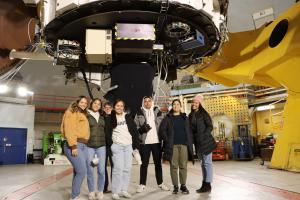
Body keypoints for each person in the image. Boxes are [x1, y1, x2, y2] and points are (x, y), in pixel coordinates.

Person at [134, 96, 169, 192]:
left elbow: (164, 126)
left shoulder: (158, 112)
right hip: (144, 143)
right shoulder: (139, 113)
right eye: (145, 101)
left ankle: (160, 183)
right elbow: (135, 128)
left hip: (157, 142)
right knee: (144, 164)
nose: (147, 103)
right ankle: (142, 184)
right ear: (143, 103)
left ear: (152, 102)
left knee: (158, 164)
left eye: (149, 101)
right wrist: (141, 129)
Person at [106, 100, 140, 200]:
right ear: (114, 107)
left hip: (128, 146)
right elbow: (107, 133)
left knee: (127, 169)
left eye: (121, 106)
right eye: (117, 106)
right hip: (117, 146)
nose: (119, 107)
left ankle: (124, 190)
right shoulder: (111, 118)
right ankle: (115, 191)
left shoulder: (127, 117)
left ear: (123, 107)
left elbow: (134, 131)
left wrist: (135, 146)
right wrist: (112, 145)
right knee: (118, 169)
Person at [159, 99, 194, 195]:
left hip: (183, 145)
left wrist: (189, 141)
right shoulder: (168, 118)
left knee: (183, 166)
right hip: (172, 145)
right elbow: (162, 131)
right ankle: (175, 186)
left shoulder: (185, 118)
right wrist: (167, 140)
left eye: (178, 104)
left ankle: (183, 185)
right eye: (174, 104)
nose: (176, 106)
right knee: (174, 166)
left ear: (180, 106)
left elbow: (189, 131)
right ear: (172, 106)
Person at [61, 96, 90, 200]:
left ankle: (74, 195)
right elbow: (69, 129)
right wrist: (73, 146)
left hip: (83, 145)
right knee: (82, 171)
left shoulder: (83, 113)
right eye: (82, 102)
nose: (84, 104)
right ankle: (74, 197)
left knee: (78, 171)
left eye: (85, 103)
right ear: (77, 102)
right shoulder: (71, 112)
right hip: (74, 144)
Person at [189, 95, 216, 193]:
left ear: (199, 104)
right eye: (193, 102)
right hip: (198, 143)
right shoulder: (191, 115)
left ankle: (207, 184)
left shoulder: (204, 114)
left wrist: (204, 135)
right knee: (203, 164)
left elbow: (210, 126)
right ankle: (205, 183)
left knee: (207, 163)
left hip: (206, 142)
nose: (194, 104)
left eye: (196, 102)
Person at [86, 98, 109, 200]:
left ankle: (100, 191)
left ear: (100, 106)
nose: (96, 105)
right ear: (91, 104)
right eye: (95, 103)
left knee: (101, 170)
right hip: (89, 146)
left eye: (99, 104)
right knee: (90, 170)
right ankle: (91, 191)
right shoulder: (86, 115)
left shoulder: (103, 116)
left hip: (101, 146)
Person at [103, 102, 113, 193]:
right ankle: (104, 187)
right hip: (104, 146)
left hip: (113, 145)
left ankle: (115, 187)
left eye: (109, 107)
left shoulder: (114, 117)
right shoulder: (102, 117)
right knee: (103, 167)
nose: (107, 109)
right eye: (106, 107)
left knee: (114, 166)